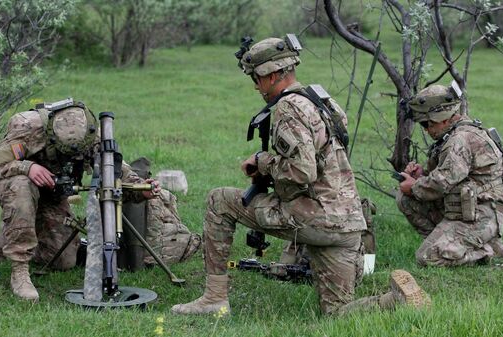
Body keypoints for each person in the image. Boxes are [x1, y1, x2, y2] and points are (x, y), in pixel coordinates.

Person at [172, 36, 429, 316]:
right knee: (337, 313)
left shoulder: (288, 107)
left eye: (256, 80)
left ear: (270, 75)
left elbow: (302, 171)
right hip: (349, 223)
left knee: (219, 200)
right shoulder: (322, 100)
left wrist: (264, 161)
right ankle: (394, 302)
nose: (256, 87)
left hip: (315, 218)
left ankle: (213, 298)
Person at [0, 100, 199, 301]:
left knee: (64, 261)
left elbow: (115, 172)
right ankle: (19, 271)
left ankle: (6, 240)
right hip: (16, 187)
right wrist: (27, 167)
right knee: (22, 186)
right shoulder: (28, 127)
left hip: (53, 194)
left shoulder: (90, 134)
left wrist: (140, 189)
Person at [397, 84, 503, 267]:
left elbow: (442, 182)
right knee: (406, 199)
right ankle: (449, 243)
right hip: (464, 208)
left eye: (428, 123)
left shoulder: (459, 140)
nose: (426, 129)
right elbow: (450, 176)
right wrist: (421, 175)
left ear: (442, 118)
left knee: (426, 258)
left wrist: (415, 186)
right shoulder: (455, 133)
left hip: (481, 215)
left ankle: (484, 251)